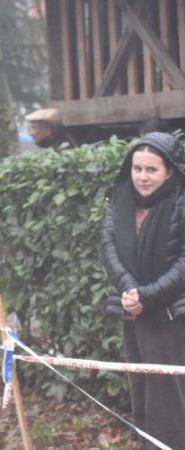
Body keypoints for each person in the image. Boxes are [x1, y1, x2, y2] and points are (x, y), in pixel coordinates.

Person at [101, 132, 185, 449]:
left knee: (169, 398)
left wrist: (146, 296)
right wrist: (129, 291)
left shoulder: (181, 200)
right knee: (141, 390)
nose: (142, 177)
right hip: (133, 312)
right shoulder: (118, 198)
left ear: (170, 171)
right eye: (137, 168)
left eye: (152, 169)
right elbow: (109, 247)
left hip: (172, 315)